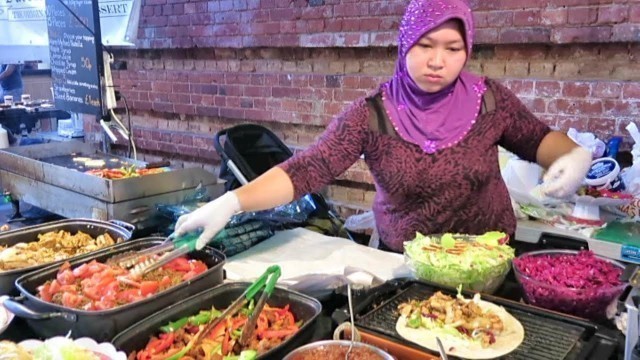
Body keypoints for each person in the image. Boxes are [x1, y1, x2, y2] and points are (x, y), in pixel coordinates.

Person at [174, 0, 592, 253]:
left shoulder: (490, 100)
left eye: (452, 48)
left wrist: (571, 155)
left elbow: (539, 140)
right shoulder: (370, 116)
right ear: (405, 44)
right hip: (404, 264)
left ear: (468, 50)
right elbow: (308, 168)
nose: (437, 61)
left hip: (488, 263)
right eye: (425, 45)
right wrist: (232, 203)